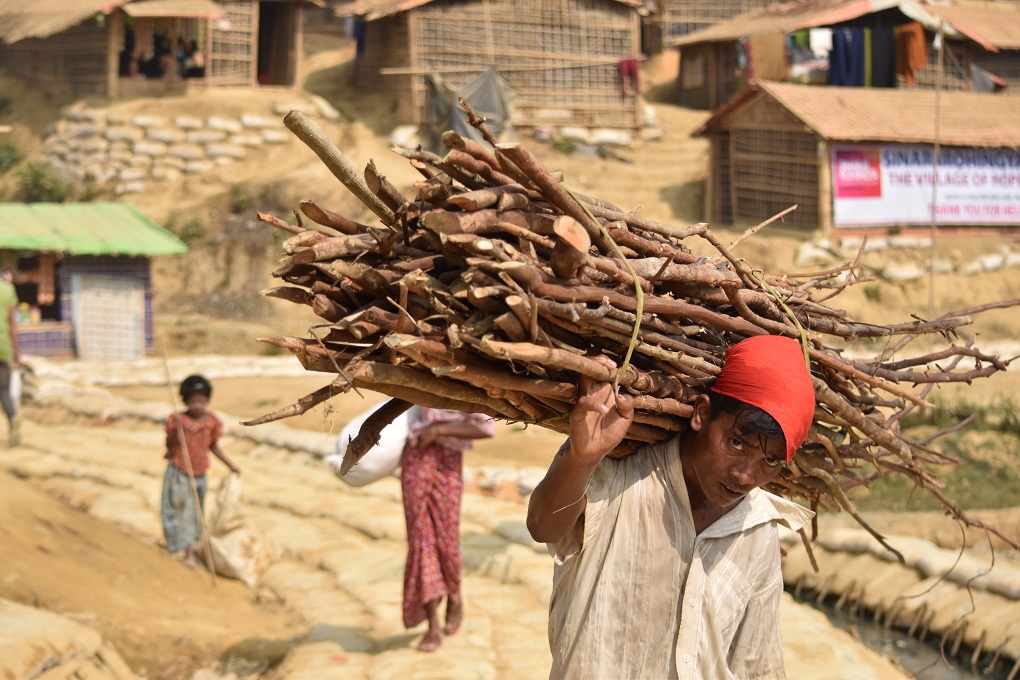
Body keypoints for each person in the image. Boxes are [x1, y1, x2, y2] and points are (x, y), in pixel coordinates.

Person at [527, 335, 817, 679]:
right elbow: (542, 527)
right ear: (703, 415)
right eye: (736, 443)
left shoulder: (758, 531)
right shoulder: (621, 473)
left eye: (769, 461)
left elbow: (756, 666)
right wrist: (582, 457)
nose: (744, 474)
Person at [401, 407, 495, 652]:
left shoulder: (472, 377)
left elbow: (486, 428)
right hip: (417, 455)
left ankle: (454, 593)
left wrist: (439, 429)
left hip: (449, 460)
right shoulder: (418, 370)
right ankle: (432, 625)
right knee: (421, 540)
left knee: (447, 541)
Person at [161, 374, 240, 568]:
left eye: (201, 401)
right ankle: (185, 551)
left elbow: (214, 446)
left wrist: (230, 464)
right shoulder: (178, 420)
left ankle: (191, 550)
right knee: (182, 510)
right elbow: (169, 444)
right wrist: (175, 432)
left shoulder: (212, 421)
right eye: (193, 401)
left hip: (199, 474)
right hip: (179, 473)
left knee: (196, 513)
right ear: (186, 400)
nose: (197, 405)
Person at [0, 267, 19, 446]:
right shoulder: (7, 289)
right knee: (4, 390)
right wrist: (17, 351)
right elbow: (12, 322)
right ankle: (13, 419)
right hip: (3, 347)